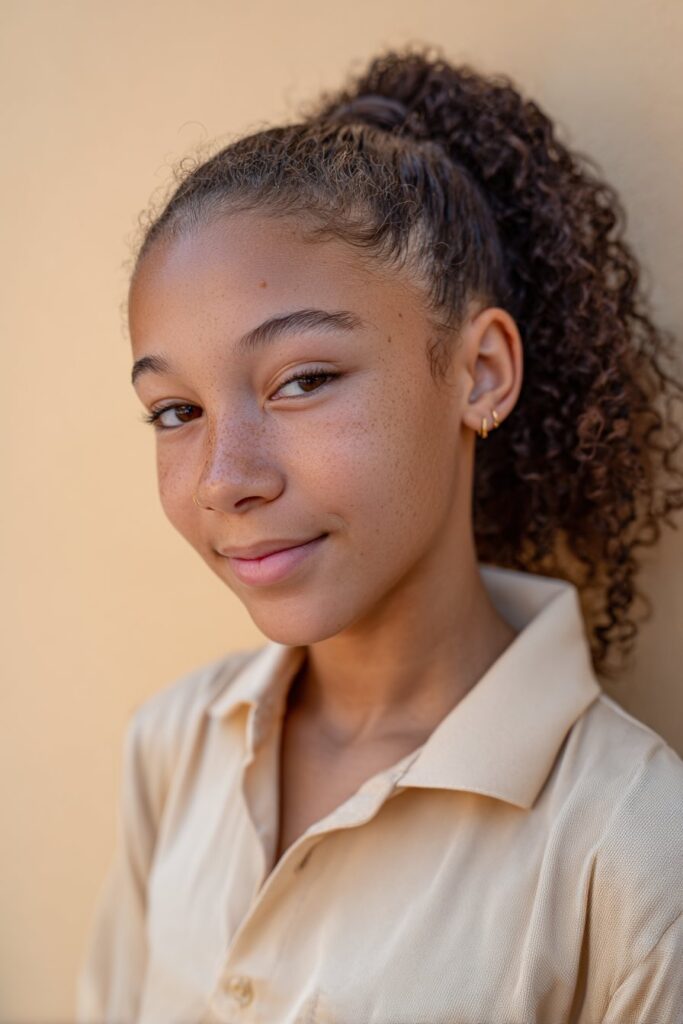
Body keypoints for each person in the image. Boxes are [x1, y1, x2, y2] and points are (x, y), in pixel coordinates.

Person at [76, 45, 683, 1024]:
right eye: (174, 410)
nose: (227, 479)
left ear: (477, 371)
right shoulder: (173, 747)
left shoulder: (631, 851)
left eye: (303, 380)